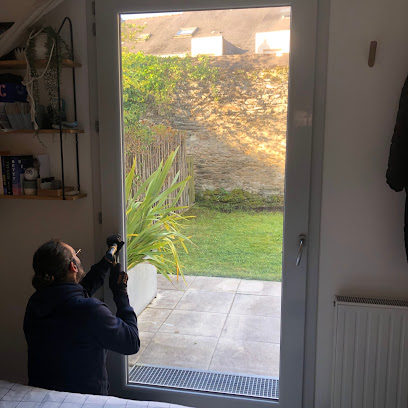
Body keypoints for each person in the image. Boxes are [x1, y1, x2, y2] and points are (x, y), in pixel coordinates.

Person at [23, 236, 140, 395]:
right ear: (73, 266)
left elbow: (74, 294)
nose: (78, 257)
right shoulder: (90, 311)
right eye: (76, 254)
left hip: (42, 397)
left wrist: (106, 262)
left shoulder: (35, 303)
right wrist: (121, 294)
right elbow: (131, 342)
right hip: (83, 400)